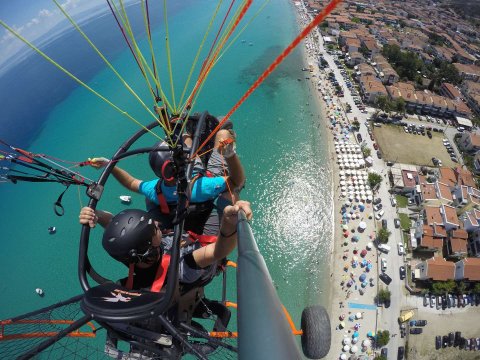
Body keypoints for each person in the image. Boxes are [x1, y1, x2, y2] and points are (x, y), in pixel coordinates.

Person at [89, 129, 245, 234]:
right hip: (203, 178)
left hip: (183, 185)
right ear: (183, 163)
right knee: (223, 133)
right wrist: (230, 155)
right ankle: (186, 132)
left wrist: (109, 165)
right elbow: (237, 181)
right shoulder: (202, 187)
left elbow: (131, 183)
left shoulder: (156, 190)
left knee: (190, 147)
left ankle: (185, 133)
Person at [79, 200, 252, 291]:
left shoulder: (134, 257)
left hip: (178, 240)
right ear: (150, 244)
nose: (155, 223)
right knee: (219, 202)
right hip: (198, 257)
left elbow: (116, 228)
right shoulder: (182, 263)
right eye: (154, 227)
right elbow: (219, 250)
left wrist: (96, 215)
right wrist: (229, 222)